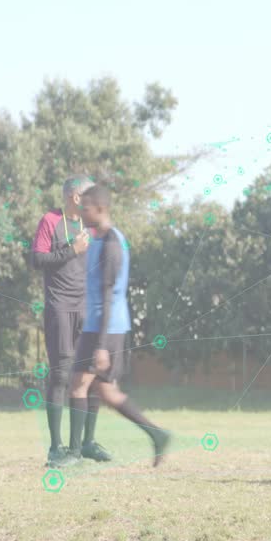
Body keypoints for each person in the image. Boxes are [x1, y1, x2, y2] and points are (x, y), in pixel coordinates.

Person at [66, 184, 171, 465]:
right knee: (106, 391)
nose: (81, 213)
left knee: (77, 386)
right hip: (104, 326)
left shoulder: (112, 244)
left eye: (86, 208)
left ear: (101, 209)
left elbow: (107, 295)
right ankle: (157, 434)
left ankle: (73, 453)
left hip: (104, 327)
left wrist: (101, 346)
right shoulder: (99, 239)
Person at [30, 175, 112, 468]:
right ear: (76, 197)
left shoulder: (93, 226)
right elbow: (37, 260)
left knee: (92, 375)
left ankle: (86, 443)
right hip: (60, 307)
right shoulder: (50, 221)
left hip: (87, 309)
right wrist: (71, 250)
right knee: (62, 376)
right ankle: (56, 447)